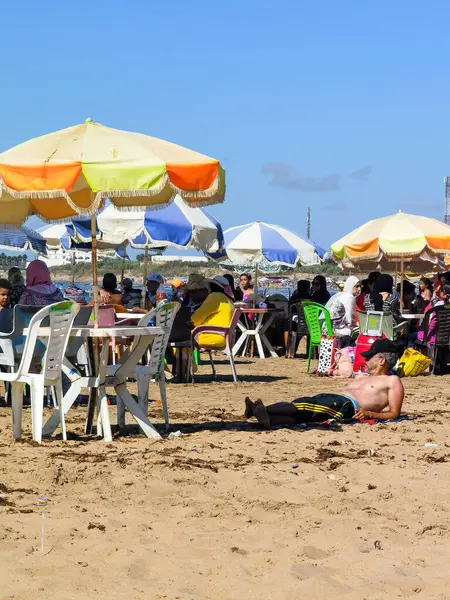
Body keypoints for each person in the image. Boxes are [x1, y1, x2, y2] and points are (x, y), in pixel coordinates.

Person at [244, 339, 404, 428]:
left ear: (381, 360)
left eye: (369, 357)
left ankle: (260, 409)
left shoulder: (392, 380)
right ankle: (269, 420)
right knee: (304, 413)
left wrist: (371, 414)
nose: (366, 359)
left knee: (306, 404)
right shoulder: (362, 375)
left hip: (347, 406)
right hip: (335, 400)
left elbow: (394, 413)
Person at [190, 276, 235, 348]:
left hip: (211, 336)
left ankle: (179, 359)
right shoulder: (229, 301)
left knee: (181, 335)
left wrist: (189, 321)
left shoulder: (215, 296)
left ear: (212, 286)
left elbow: (197, 317)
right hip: (225, 337)